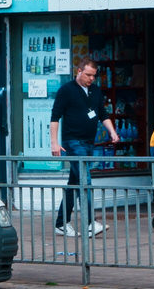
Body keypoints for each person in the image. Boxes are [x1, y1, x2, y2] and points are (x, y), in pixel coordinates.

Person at [49, 58, 119, 236]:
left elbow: (102, 114)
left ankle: (61, 223)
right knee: (85, 181)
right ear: (78, 71)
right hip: (72, 142)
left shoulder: (95, 91)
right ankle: (90, 223)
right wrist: (54, 143)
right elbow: (55, 117)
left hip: (89, 142)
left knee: (74, 183)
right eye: (88, 75)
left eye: (93, 76)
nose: (91, 79)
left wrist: (112, 132)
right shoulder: (66, 90)